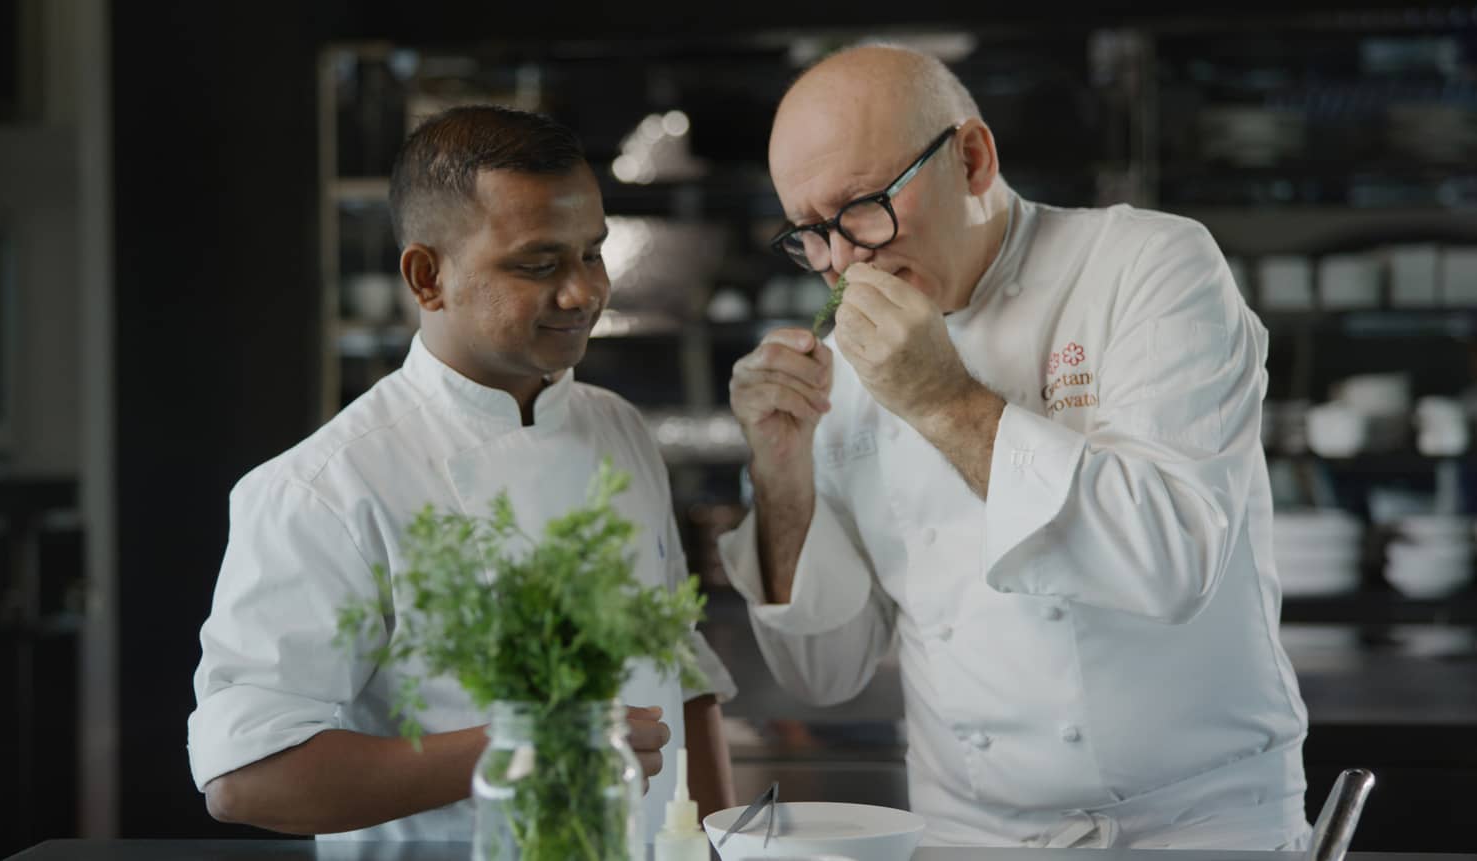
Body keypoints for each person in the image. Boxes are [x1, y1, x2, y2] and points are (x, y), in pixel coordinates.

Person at [721, 44, 1309, 849]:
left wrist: (941, 399)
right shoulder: (848, 364)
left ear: (971, 158)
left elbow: (1170, 558)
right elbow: (824, 670)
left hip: (1195, 827)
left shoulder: (1150, 265)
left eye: (862, 205)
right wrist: (780, 473)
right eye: (811, 234)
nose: (844, 260)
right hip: (970, 834)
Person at [188, 105, 736, 841]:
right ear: (426, 276)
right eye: (539, 263)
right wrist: (526, 745)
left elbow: (681, 668)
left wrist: (713, 842)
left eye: (592, 253)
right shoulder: (322, 488)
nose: (582, 293)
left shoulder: (619, 428)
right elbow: (246, 774)